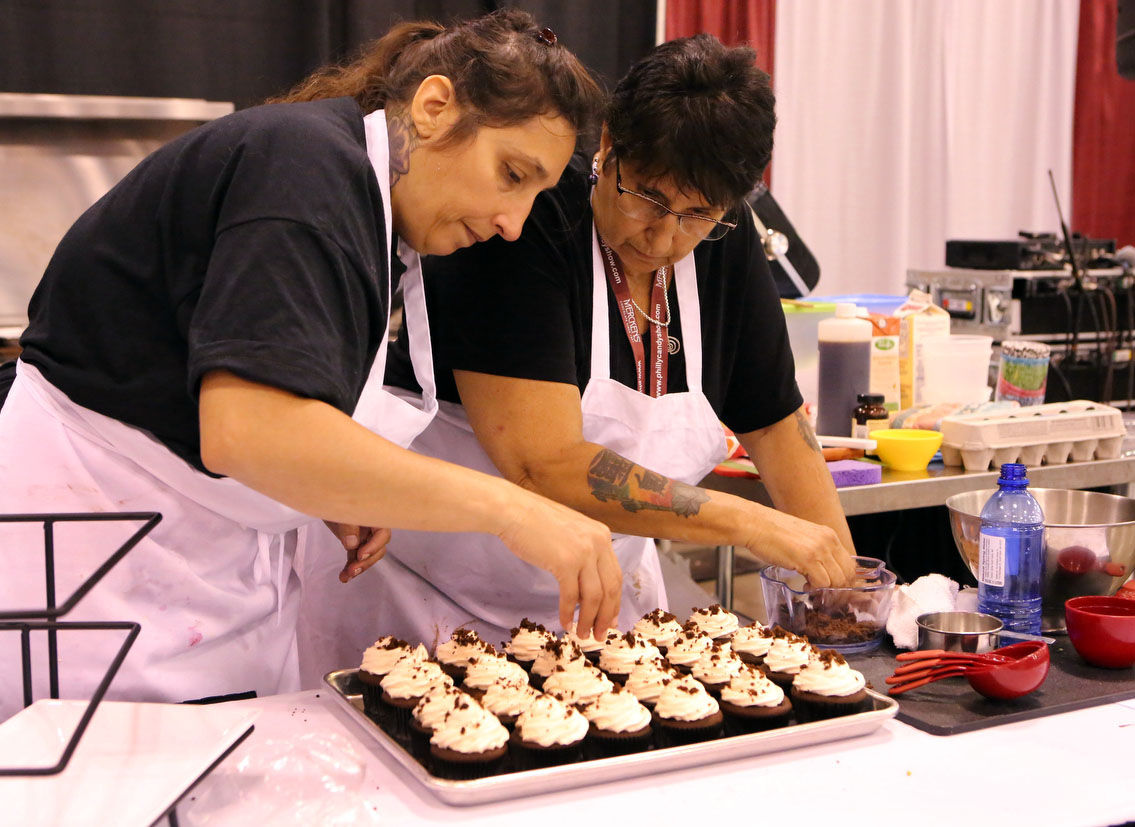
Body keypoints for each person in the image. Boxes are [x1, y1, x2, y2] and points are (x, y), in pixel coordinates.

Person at [0, 10, 619, 720]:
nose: (513, 223)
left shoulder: (367, 204)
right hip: (98, 560)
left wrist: (325, 487)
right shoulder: (305, 169)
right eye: (511, 175)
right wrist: (511, 510)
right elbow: (249, 430)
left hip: (198, 565)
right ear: (433, 107)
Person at [366, 33, 858, 647]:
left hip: (598, 602)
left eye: (698, 215)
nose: (663, 238)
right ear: (608, 144)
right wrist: (753, 524)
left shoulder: (725, 240)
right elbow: (544, 464)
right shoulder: (526, 220)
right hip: (427, 593)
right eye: (647, 198)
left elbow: (778, 426)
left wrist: (845, 594)